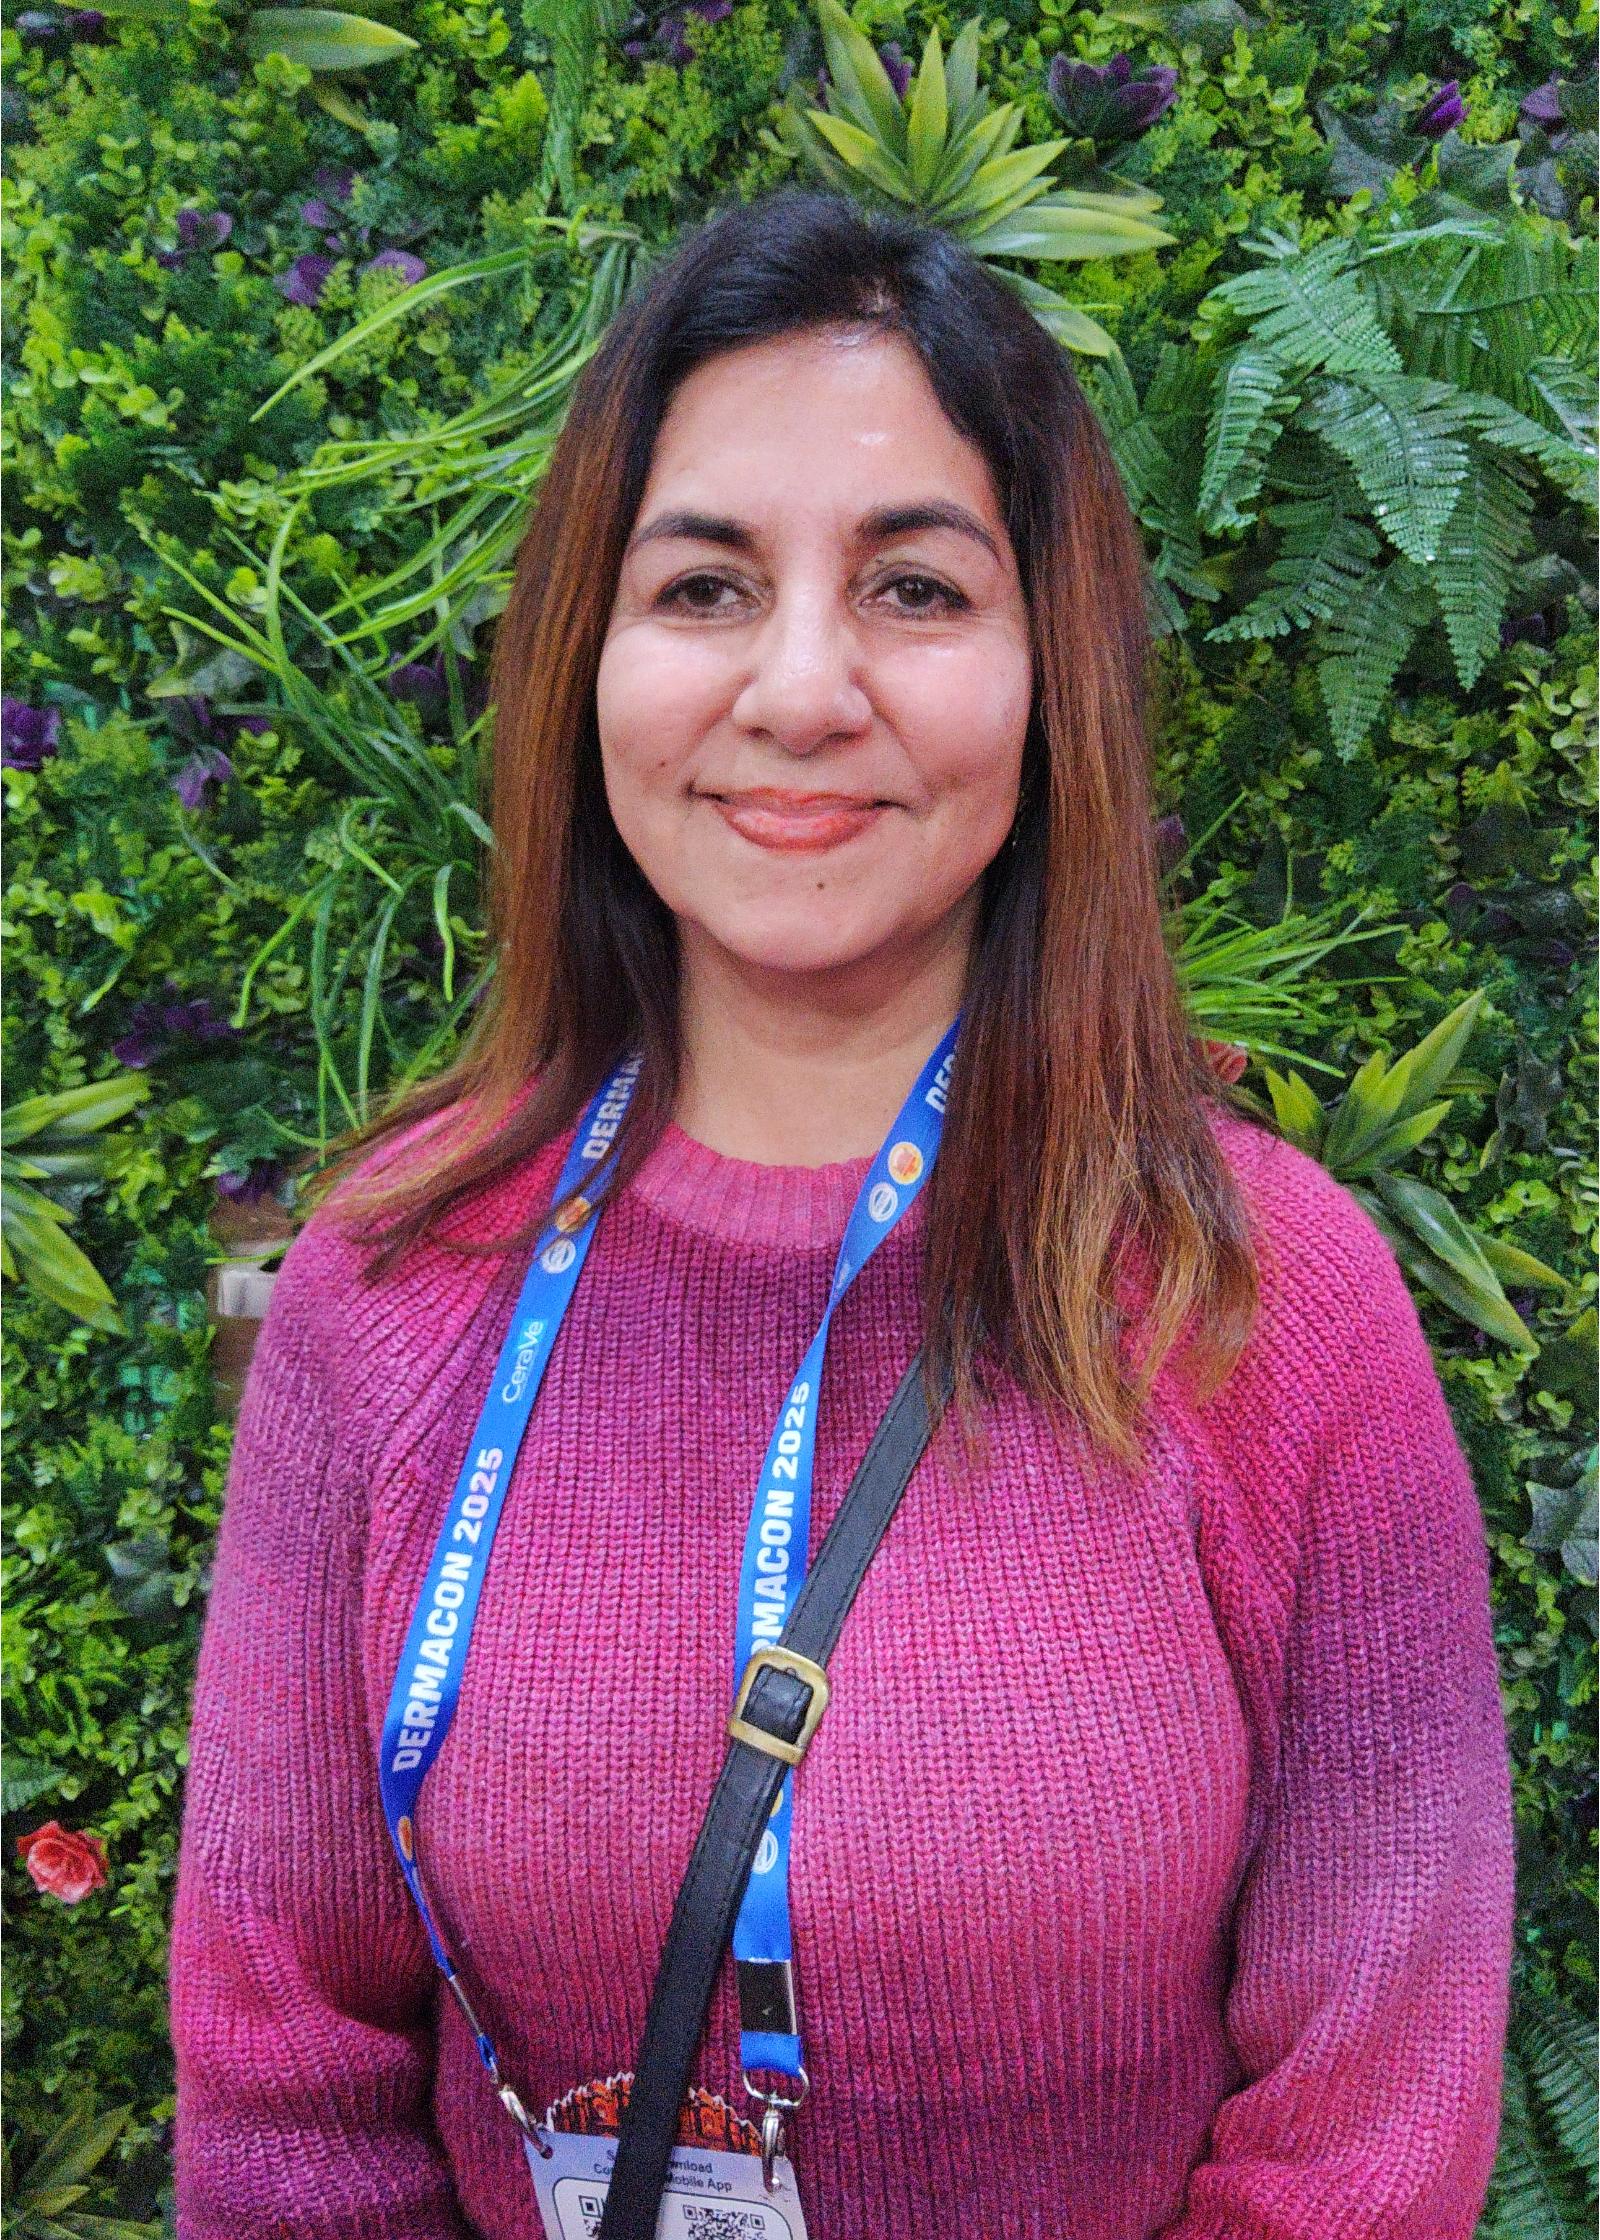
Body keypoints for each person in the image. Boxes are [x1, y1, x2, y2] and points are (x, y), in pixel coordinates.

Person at [168, 185, 1516, 2239]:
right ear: (586, 656)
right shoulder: (391, 1286)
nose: (800, 688)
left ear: (1049, 669)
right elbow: (289, 2102)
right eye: (704, 586)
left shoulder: (1256, 1302)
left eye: (913, 587)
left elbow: (1368, 2134)